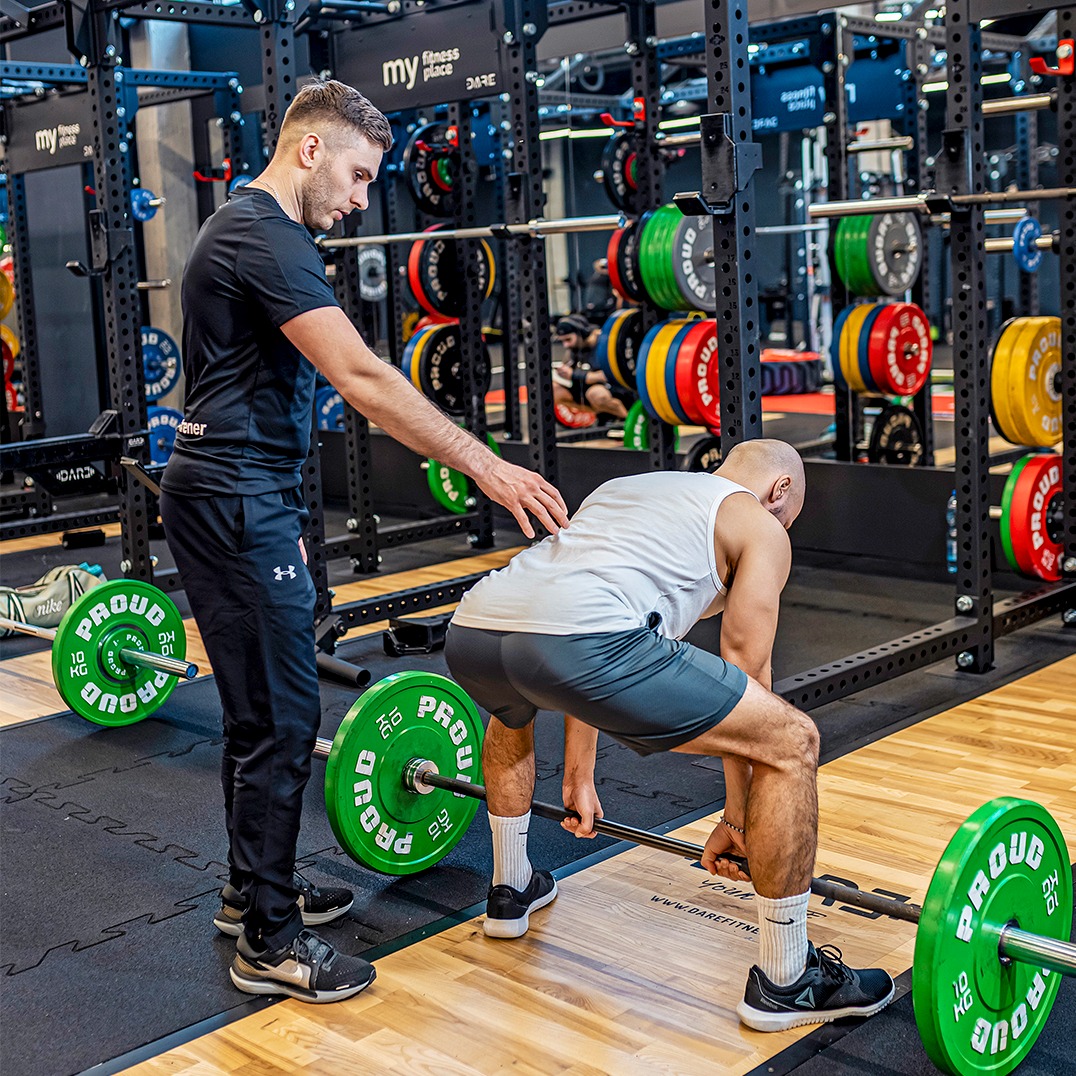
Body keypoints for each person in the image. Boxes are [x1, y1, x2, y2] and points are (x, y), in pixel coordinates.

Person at [159, 78, 568, 1005]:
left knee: (262, 710)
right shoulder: (261, 233)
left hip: (239, 492)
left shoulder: (264, 233)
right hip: (235, 499)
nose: (358, 198)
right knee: (286, 716)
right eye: (355, 174)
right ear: (310, 149)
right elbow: (362, 378)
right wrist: (489, 469)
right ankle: (269, 940)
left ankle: (249, 890)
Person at [443, 439, 894, 1032]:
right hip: (580, 640)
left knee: (512, 712)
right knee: (790, 740)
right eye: (790, 515)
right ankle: (788, 981)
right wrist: (737, 821)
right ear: (779, 491)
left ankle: (511, 888)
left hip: (475, 630)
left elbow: (574, 609)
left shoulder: (632, 490)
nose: (785, 527)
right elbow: (746, 674)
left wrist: (579, 774)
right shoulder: (759, 523)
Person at [552, 313, 627, 421]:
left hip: (614, 387)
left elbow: (608, 374)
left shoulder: (604, 343)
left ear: (581, 333)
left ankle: (627, 420)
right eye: (563, 341)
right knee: (553, 390)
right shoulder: (576, 347)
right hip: (588, 389)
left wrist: (574, 374)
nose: (565, 345)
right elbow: (570, 367)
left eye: (568, 340)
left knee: (595, 394)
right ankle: (602, 414)